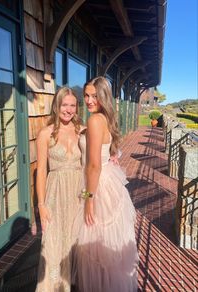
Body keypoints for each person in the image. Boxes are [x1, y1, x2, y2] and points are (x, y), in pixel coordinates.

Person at [72, 76, 139, 292]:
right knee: (108, 248)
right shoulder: (103, 119)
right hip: (109, 181)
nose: (90, 100)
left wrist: (89, 199)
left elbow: (93, 166)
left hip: (96, 185)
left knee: (95, 246)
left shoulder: (94, 120)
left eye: (95, 96)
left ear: (103, 97)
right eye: (87, 96)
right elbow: (107, 147)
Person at [35, 87, 84, 292]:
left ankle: (72, 284)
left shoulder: (82, 130)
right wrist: (41, 205)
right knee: (53, 245)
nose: (69, 109)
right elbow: (41, 173)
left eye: (72, 105)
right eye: (65, 105)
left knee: (76, 242)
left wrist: (89, 197)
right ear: (57, 106)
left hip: (78, 195)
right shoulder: (45, 133)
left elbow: (94, 162)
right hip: (55, 195)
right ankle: (54, 287)